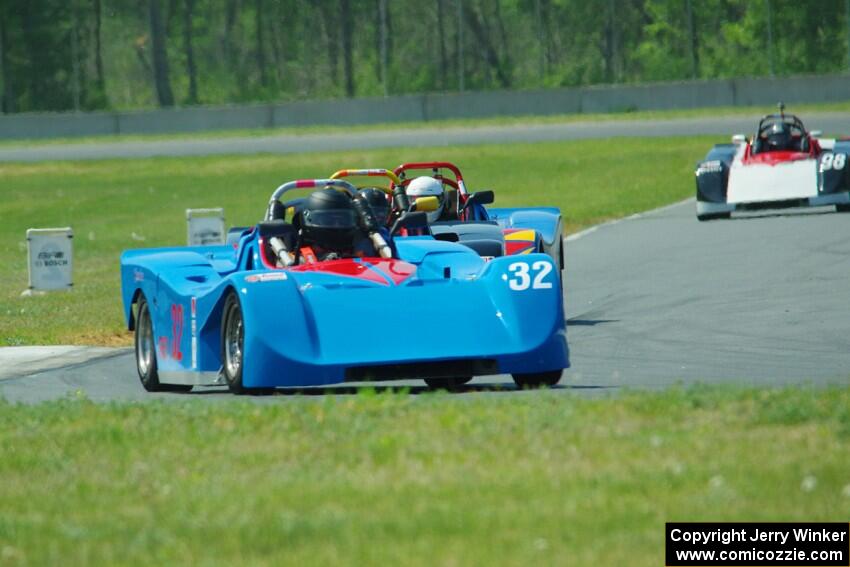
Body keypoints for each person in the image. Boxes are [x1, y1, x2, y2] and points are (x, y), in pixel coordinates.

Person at [296, 188, 393, 263]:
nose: (337, 225)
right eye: (329, 220)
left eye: (343, 220)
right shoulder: (299, 260)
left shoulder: (365, 248)